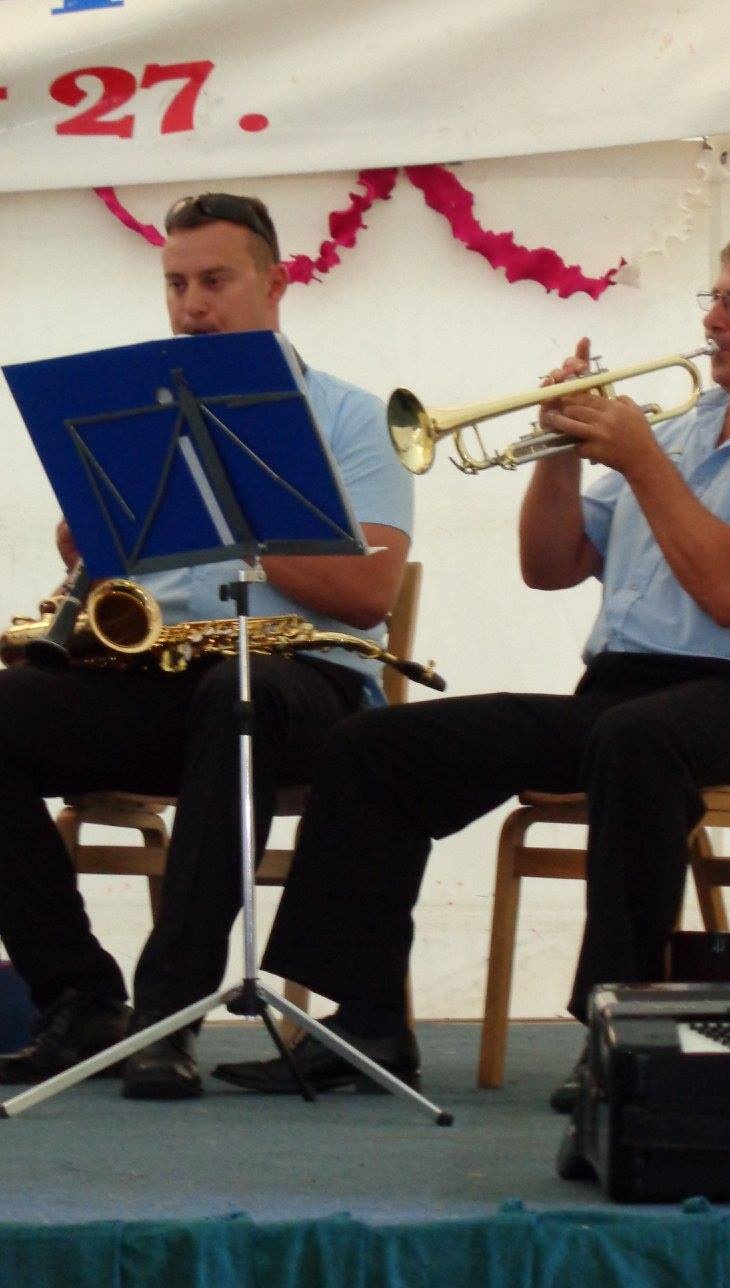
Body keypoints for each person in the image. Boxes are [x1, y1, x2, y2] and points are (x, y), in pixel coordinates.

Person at [211, 222, 730, 1109]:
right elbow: (550, 564)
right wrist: (561, 458)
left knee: (638, 743)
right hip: (620, 699)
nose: (712, 320)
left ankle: (617, 1028)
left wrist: (642, 463)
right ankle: (365, 1022)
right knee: (374, 745)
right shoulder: (684, 432)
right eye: (712, 298)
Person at [0, 193, 413, 1099]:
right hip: (168, 676)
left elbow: (370, 593)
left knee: (239, 696)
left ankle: (169, 1013)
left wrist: (235, 516)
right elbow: (130, 604)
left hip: (309, 687)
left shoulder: (353, 417)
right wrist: (99, 555)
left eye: (215, 281)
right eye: (176, 285)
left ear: (277, 283)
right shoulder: (140, 426)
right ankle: (77, 998)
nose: (191, 306)